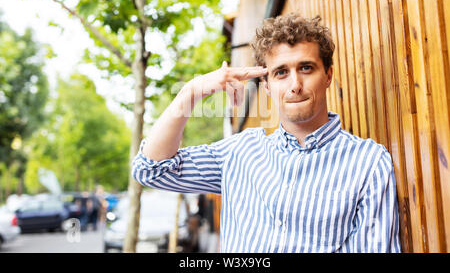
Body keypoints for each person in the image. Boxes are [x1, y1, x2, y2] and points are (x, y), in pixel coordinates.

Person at [132, 13, 401, 253]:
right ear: (267, 85)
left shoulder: (368, 163)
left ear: (328, 74)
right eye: (281, 72)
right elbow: (151, 169)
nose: (295, 85)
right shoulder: (239, 152)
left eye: (306, 68)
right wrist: (191, 91)